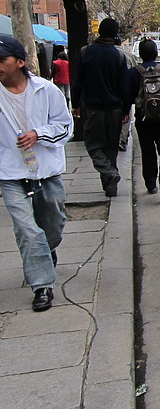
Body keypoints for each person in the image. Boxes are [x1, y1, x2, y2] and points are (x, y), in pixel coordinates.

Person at [0, 34, 73, 312]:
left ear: (20, 62)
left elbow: (65, 126)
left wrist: (38, 134)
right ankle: (42, 285)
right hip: (10, 173)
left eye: (2, 59)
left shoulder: (46, 90)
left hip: (45, 170)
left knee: (51, 224)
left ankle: (48, 249)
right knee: (27, 230)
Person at [71, 18, 129, 197]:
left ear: (99, 32)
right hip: (115, 110)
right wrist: (126, 110)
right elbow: (124, 87)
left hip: (94, 109)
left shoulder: (85, 52)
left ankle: (109, 174)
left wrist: (75, 105)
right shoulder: (119, 56)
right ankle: (110, 186)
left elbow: (77, 81)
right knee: (111, 148)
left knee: (93, 145)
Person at [127, 40, 160, 202]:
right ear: (156, 53)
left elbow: (128, 95)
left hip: (143, 120)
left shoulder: (134, 73)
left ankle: (150, 184)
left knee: (147, 151)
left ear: (140, 54)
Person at [115, 35, 138, 152]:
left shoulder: (101, 54)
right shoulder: (129, 56)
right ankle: (122, 140)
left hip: (108, 93)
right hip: (125, 92)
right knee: (125, 116)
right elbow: (136, 72)